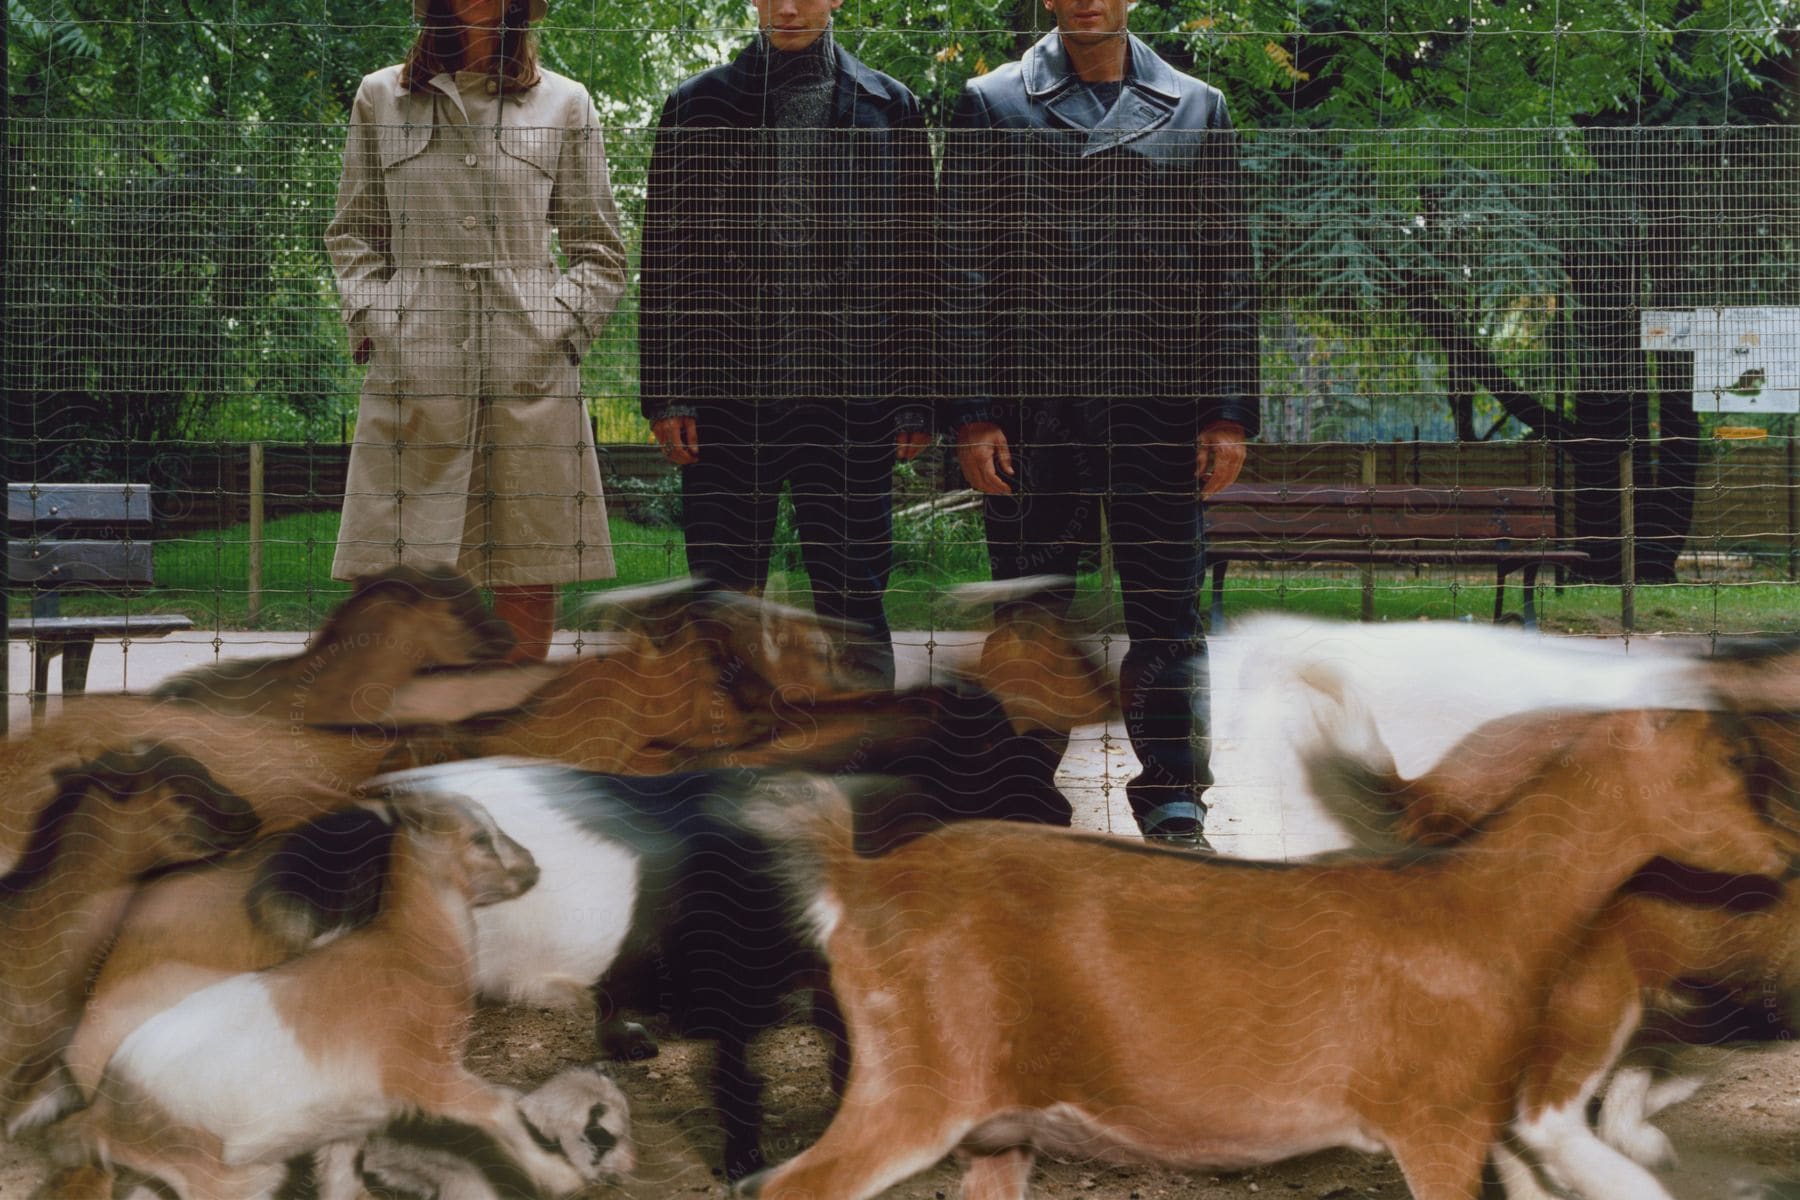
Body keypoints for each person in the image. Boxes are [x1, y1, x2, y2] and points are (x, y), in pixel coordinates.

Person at [944, 0, 1259, 847]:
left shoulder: (1200, 108)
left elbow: (1228, 264)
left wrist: (1228, 411)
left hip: (1159, 405)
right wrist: (973, 415)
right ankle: (1019, 789)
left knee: (1169, 613)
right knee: (1031, 611)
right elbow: (961, 269)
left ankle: (1174, 794)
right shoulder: (990, 102)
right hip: (1029, 409)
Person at [640, 0, 935, 688]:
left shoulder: (891, 108)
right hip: (725, 394)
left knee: (856, 597)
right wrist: (669, 391)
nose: (791, 7)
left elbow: (920, 261)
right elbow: (666, 257)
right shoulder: (696, 107)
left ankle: (868, 764)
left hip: (852, 393)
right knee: (724, 600)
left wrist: (919, 395)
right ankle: (723, 767)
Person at [327, 0, 629, 662]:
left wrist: (556, 329)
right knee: (394, 582)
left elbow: (600, 250)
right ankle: (408, 744)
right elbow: (352, 233)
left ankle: (508, 742)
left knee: (526, 567)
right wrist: (382, 319)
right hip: (415, 365)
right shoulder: (381, 97)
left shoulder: (566, 103)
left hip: (530, 369)